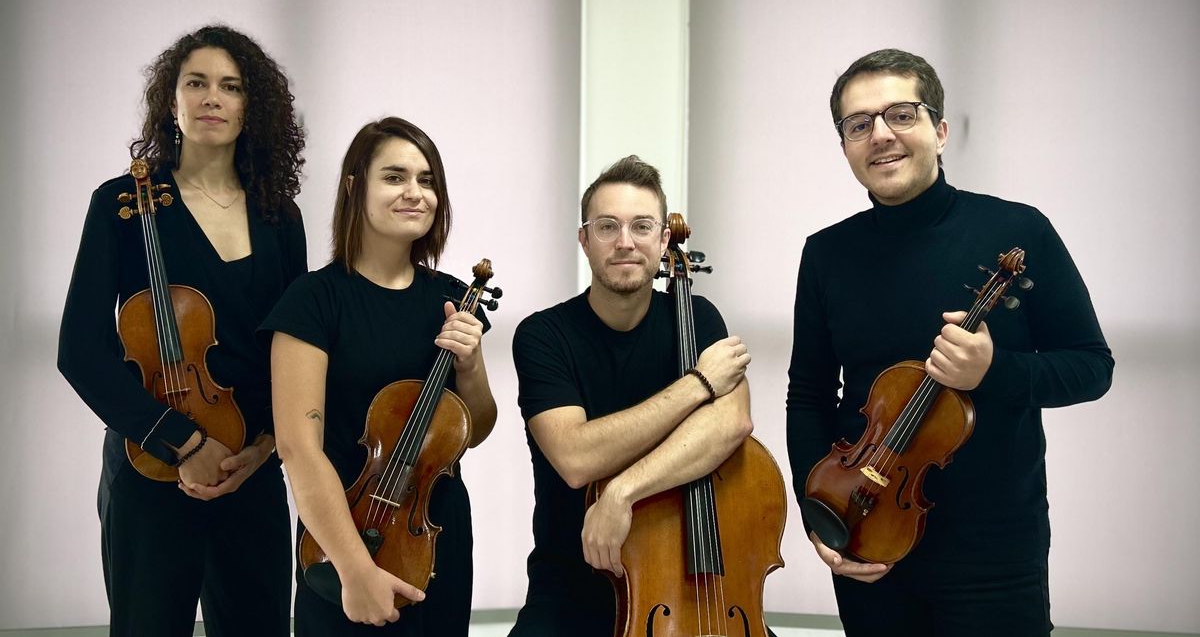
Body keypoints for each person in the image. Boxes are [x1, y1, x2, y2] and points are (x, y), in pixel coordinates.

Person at [786, 48, 1114, 636]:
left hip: (995, 551)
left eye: (900, 115)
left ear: (939, 131)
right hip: (868, 537)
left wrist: (995, 371)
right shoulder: (826, 252)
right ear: (845, 148)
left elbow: (1092, 368)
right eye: (858, 125)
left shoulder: (1018, 229)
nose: (880, 135)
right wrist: (819, 514)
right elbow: (808, 392)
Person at [57, 24, 307, 636]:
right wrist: (186, 444)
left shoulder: (279, 215)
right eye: (195, 83)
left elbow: (294, 352)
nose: (212, 98)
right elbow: (80, 351)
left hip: (250, 469)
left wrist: (265, 447)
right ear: (172, 101)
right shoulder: (121, 203)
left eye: (230, 86)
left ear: (253, 106)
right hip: (151, 464)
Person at [263, 116, 497, 635]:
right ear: (354, 186)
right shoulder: (313, 300)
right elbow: (299, 448)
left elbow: (472, 431)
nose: (415, 192)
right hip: (344, 536)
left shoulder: (456, 297)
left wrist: (472, 365)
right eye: (394, 177)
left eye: (427, 179)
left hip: (435, 533)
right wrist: (355, 569)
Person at [509, 155, 754, 636]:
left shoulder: (698, 318)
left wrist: (622, 491)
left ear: (664, 240)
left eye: (642, 226)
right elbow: (576, 457)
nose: (625, 242)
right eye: (607, 226)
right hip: (569, 588)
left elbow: (731, 424)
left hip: (692, 585)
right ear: (584, 240)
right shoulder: (543, 335)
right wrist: (698, 385)